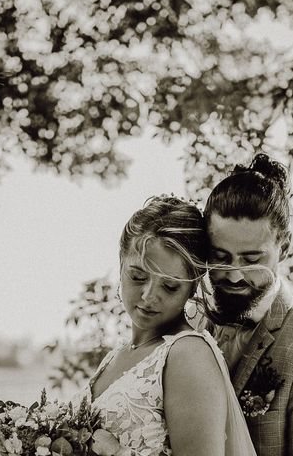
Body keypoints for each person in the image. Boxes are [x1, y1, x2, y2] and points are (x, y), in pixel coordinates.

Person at [193, 153, 293, 456]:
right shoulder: (189, 324)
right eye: (221, 257)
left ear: (284, 247)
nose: (235, 275)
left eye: (252, 259)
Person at [81, 195, 257, 456]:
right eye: (138, 276)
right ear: (120, 266)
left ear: (192, 286)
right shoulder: (114, 357)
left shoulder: (188, 355)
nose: (149, 297)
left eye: (170, 286)